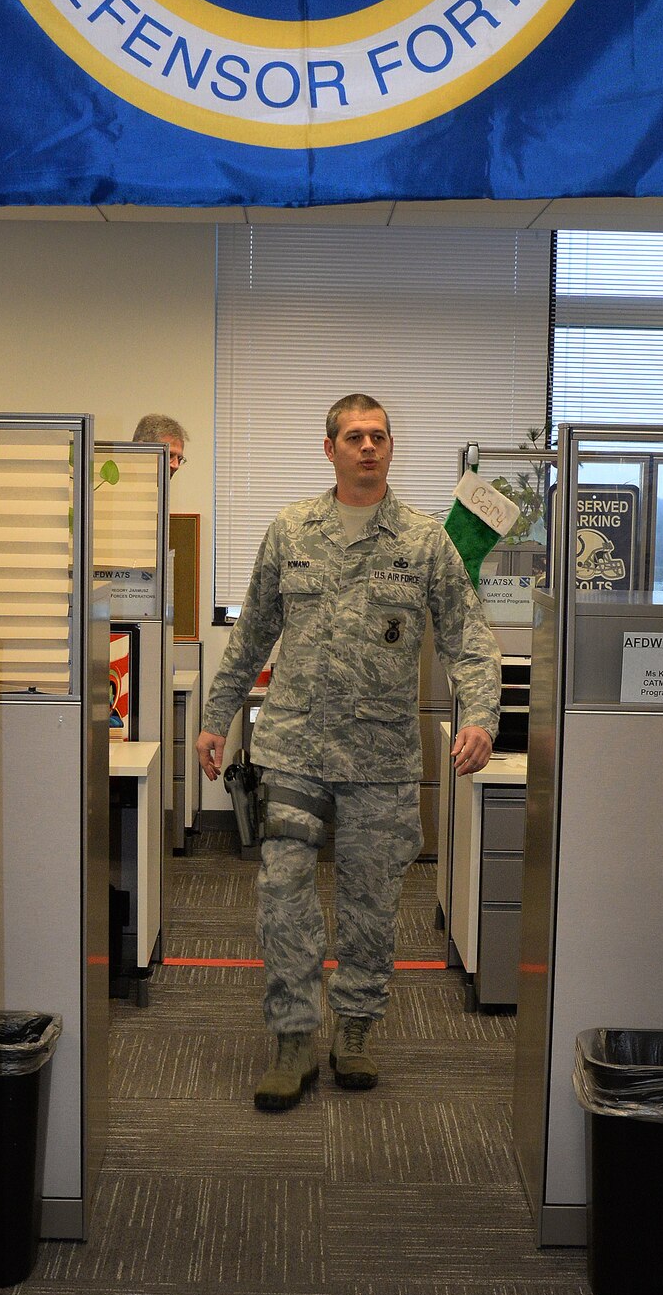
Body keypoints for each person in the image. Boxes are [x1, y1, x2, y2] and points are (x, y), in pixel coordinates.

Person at [197, 393, 501, 1112]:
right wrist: (215, 718)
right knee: (283, 897)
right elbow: (253, 635)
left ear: (391, 449)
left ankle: (356, 1031)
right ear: (329, 447)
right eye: (355, 436)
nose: (368, 447)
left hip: (382, 761)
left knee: (371, 906)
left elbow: (469, 638)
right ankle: (294, 1038)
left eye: (380, 437)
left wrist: (481, 716)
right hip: (295, 748)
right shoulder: (290, 530)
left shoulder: (425, 542)